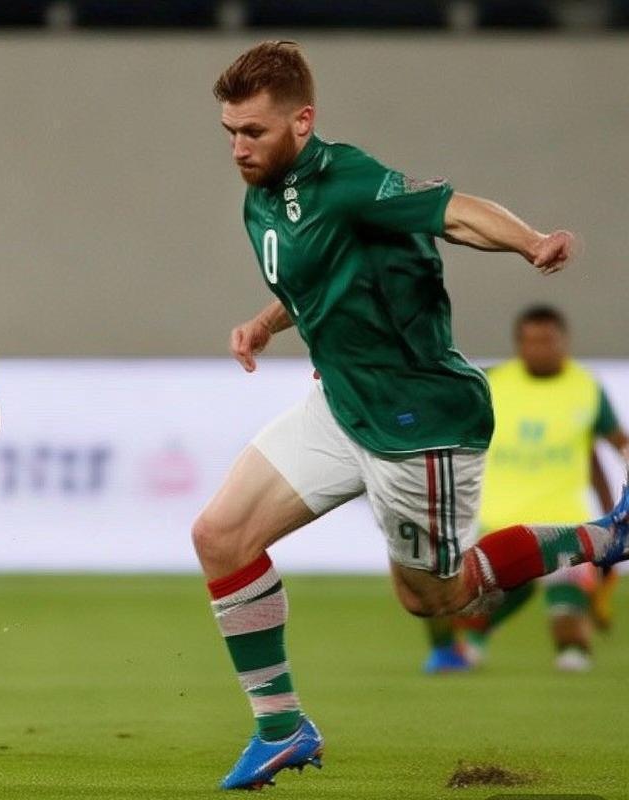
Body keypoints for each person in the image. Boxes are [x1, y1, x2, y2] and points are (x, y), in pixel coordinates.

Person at [191, 42, 629, 790]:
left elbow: (455, 214)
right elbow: (318, 277)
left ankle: (609, 535)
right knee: (220, 537)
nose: (238, 148)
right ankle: (281, 729)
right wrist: (267, 322)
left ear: (302, 121)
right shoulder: (261, 195)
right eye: (230, 131)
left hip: (418, 424)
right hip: (341, 405)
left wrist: (529, 242)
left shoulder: (352, 180)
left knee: (436, 597)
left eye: (254, 131)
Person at [423, 305, 626, 674]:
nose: (540, 349)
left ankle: (570, 644)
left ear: (564, 342)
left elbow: (606, 451)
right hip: (496, 523)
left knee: (571, 644)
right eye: (532, 341)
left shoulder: (586, 388)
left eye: (548, 340)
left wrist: (612, 520)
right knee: (451, 597)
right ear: (519, 344)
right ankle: (471, 637)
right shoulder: (491, 383)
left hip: (565, 525)